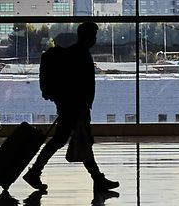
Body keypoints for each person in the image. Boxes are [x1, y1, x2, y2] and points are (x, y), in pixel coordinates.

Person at [23, 22, 119, 193]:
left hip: (70, 105)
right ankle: (97, 179)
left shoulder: (76, 53)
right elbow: (80, 84)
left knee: (66, 140)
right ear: (88, 36)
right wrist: (81, 106)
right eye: (94, 35)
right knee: (80, 141)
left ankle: (36, 172)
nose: (95, 39)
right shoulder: (80, 54)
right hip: (76, 107)